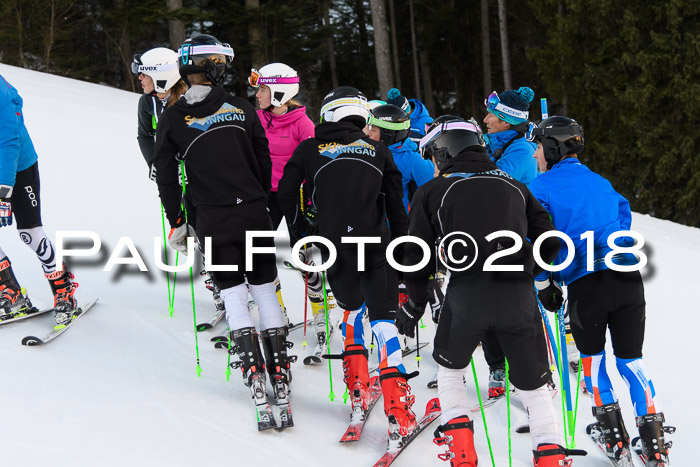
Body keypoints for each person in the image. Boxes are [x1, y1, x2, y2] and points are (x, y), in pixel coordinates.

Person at [396, 116, 581, 466]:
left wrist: (415, 304)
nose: (434, 165)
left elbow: (415, 256)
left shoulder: (433, 190)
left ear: (443, 150)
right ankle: (551, 455)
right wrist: (527, 267)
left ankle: (462, 453)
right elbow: (550, 238)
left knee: (451, 372)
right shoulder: (514, 184)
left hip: (466, 298)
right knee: (534, 387)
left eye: (433, 158)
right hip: (518, 298)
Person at [154, 34, 293, 430]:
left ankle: (252, 373)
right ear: (211, 66)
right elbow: (263, 159)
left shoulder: (173, 116)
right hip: (252, 212)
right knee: (264, 289)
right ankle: (280, 371)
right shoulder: (241, 106)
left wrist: (177, 220)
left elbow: (165, 176)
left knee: (232, 293)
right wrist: (259, 202)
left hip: (212, 219)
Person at [527, 116, 674, 465]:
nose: (534, 155)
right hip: (627, 281)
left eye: (537, 147)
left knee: (592, 361)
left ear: (551, 147)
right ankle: (653, 440)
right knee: (631, 360)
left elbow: (541, 242)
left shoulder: (541, 187)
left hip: (587, 284)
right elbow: (623, 219)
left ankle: (614, 438)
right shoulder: (602, 182)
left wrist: (545, 282)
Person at [277, 86, 418, 440]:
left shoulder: (309, 148)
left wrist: (301, 233)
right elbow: (396, 206)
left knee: (351, 311)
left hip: (333, 245)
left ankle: (358, 393)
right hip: (376, 245)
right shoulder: (378, 149)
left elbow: (285, 192)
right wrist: (401, 248)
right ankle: (398, 412)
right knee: (384, 322)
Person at [248, 63, 334, 356]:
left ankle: (321, 311)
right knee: (261, 250)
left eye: (263, 89)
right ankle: (277, 310)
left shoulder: (303, 124)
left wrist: (313, 205)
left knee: (305, 255)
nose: (258, 94)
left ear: (280, 92)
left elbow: (314, 168)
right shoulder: (256, 119)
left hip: (296, 195)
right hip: (265, 196)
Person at [132, 47, 223, 314]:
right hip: (172, 176)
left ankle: (229, 281)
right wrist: (155, 163)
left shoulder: (189, 97)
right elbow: (145, 135)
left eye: (144, 74)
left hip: (201, 173)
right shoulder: (146, 102)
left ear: (162, 75)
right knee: (185, 226)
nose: (139, 78)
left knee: (206, 225)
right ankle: (215, 279)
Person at [0, 74, 79, 328]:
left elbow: (8, 141)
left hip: (19, 166)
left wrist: (3, 191)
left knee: (30, 234)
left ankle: (62, 289)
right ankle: (10, 293)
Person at [481, 85, 542, 399]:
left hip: (517, 241)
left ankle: (532, 368)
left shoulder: (520, 151)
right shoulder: (492, 143)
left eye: (492, 114)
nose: (486, 118)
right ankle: (498, 367)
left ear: (506, 121)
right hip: (490, 239)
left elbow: (494, 182)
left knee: (518, 309)